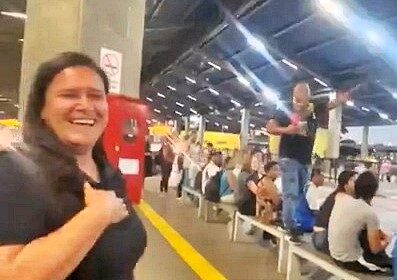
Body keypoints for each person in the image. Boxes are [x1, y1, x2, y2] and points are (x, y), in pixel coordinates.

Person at [0, 52, 146, 280]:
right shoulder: (17, 172)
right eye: (69, 95)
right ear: (42, 110)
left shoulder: (109, 174)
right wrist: (97, 216)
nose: (86, 105)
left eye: (96, 96)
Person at [266, 82, 347, 243]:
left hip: (305, 159)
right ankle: (289, 224)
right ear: (294, 97)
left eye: (304, 98)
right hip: (288, 157)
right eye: (298, 99)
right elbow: (270, 127)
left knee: (300, 192)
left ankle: (290, 220)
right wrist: (287, 130)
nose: (301, 103)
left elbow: (331, 105)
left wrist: (340, 100)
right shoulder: (285, 109)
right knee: (291, 192)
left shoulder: (315, 108)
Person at [328, 171, 392, 274]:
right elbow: (375, 249)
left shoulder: (341, 197)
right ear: (375, 191)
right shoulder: (369, 213)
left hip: (334, 254)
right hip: (350, 261)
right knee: (391, 269)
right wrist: (388, 240)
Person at [312, 170, 357, 253]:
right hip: (322, 238)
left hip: (318, 236)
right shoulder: (342, 198)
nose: (356, 183)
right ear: (345, 184)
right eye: (352, 180)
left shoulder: (335, 195)